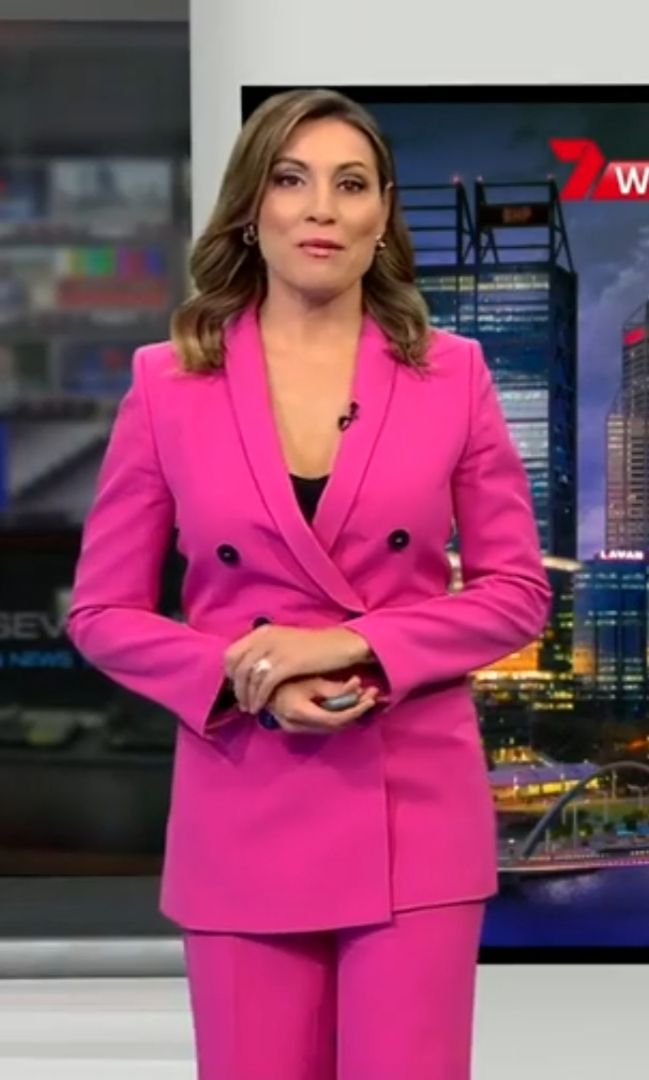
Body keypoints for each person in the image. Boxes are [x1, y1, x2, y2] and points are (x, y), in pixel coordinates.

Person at [66, 87, 552, 1079]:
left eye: (351, 184)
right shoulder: (167, 382)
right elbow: (103, 612)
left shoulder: (452, 375)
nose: (321, 208)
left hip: (412, 809)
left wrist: (351, 642)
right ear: (253, 208)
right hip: (243, 801)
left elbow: (515, 592)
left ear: (382, 215)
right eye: (292, 180)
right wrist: (248, 675)